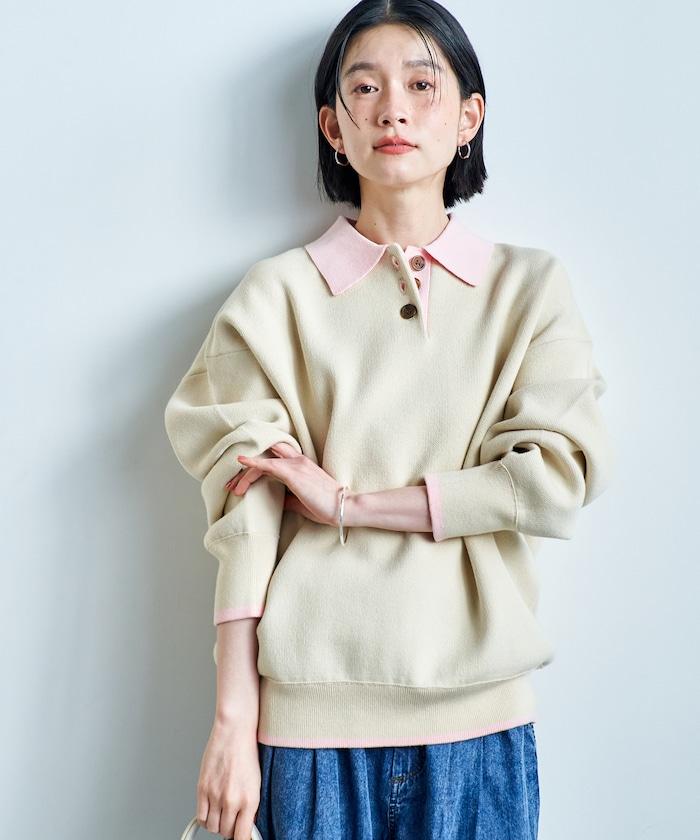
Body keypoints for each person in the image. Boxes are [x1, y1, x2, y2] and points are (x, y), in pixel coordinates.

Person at [163, 1, 615, 838]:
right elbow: (244, 522)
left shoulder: (529, 290)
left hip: (480, 727)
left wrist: (347, 505)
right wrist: (231, 724)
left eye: (421, 84)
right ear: (333, 127)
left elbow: (553, 482)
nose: (393, 110)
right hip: (307, 733)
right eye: (365, 88)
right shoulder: (275, 298)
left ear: (469, 117)